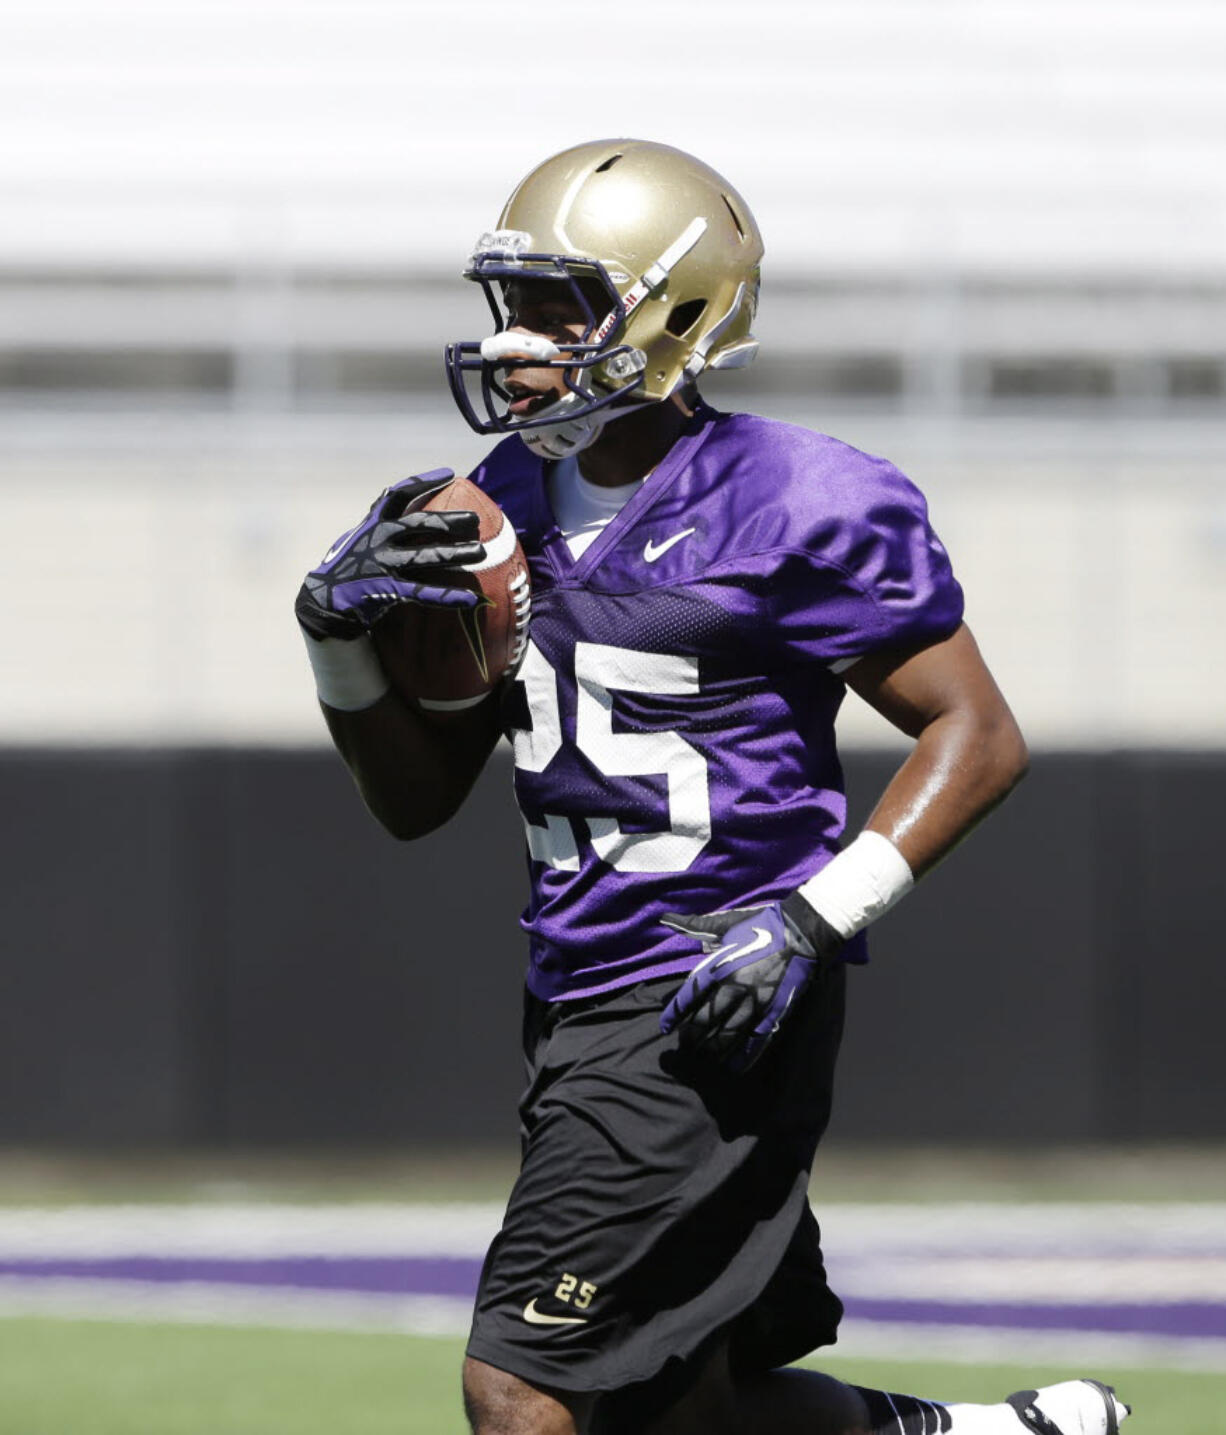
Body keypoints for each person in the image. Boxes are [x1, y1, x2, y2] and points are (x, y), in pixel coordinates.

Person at [295, 140, 1129, 1435]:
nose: (515, 344)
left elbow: (976, 735)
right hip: (574, 988)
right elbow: (413, 801)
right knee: (681, 1405)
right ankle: (972, 1433)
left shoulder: (795, 498)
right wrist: (339, 649)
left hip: (711, 989)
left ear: (674, 313)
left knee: (521, 1389)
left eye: (556, 310)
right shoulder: (484, 509)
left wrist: (814, 918)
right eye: (505, 309)